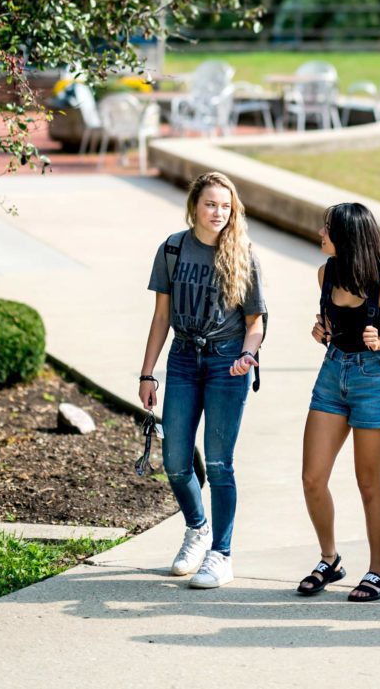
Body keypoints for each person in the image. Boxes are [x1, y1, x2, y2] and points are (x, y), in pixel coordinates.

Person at [297, 202, 380, 602]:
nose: (321, 235)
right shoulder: (326, 274)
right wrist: (322, 329)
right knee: (312, 477)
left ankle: (377, 573)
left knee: (368, 482)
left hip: (376, 381)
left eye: (327, 229)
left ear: (346, 236)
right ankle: (330, 559)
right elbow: (331, 321)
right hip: (332, 373)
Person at [139, 171, 267, 589]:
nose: (218, 213)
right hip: (181, 360)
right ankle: (198, 529)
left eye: (226, 206)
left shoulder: (243, 255)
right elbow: (161, 317)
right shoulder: (173, 249)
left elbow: (255, 322)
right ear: (195, 204)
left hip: (227, 363)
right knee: (176, 463)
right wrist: (147, 372)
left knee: (219, 462)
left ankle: (222, 554)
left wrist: (248, 354)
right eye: (211, 204)